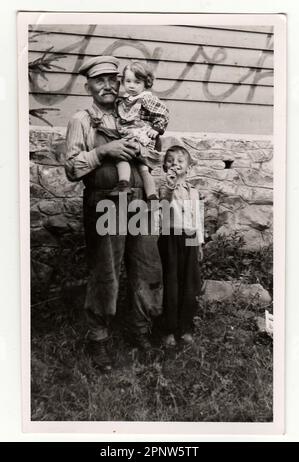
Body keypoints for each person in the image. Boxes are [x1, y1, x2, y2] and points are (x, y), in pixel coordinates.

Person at [64, 56, 163, 371]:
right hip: (107, 201)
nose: (107, 85)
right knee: (106, 271)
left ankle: (140, 329)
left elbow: (156, 158)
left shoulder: (134, 110)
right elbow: (71, 168)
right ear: (88, 86)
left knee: (146, 266)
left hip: (139, 202)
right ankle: (99, 338)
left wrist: (149, 140)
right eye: (99, 80)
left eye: (112, 79)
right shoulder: (82, 119)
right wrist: (103, 151)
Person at [158, 145, 204, 347]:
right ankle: (167, 329)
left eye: (180, 161)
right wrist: (169, 187)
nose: (175, 164)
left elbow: (197, 219)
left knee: (189, 284)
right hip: (170, 238)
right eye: (170, 161)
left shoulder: (193, 192)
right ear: (163, 166)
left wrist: (199, 243)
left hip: (190, 238)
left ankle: (185, 328)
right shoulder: (164, 189)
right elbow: (163, 206)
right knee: (171, 283)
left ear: (189, 168)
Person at [109, 61, 169, 201]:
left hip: (140, 138)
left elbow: (163, 112)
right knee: (143, 168)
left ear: (145, 83)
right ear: (123, 82)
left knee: (121, 156)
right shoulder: (123, 100)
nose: (131, 85)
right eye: (128, 81)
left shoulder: (146, 99)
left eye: (137, 82)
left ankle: (124, 184)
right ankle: (151, 196)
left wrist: (157, 129)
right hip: (131, 137)